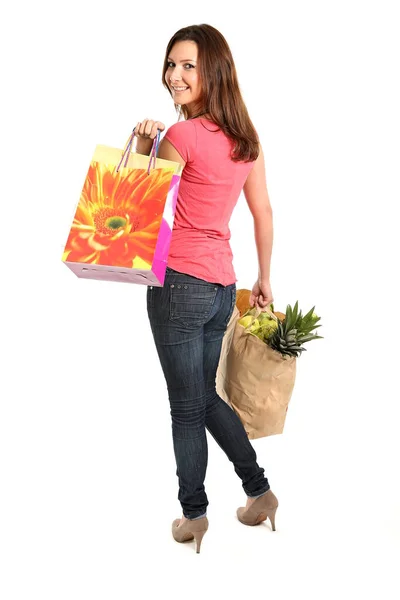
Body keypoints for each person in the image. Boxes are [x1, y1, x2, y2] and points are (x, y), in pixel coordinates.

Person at [134, 24, 278, 554]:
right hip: (222, 286)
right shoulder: (246, 140)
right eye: (171, 65)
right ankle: (259, 492)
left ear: (213, 69)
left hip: (179, 284)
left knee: (185, 405)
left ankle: (193, 514)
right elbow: (262, 212)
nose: (175, 75)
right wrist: (264, 277)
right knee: (204, 397)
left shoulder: (182, 136)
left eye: (188, 65)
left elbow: (139, 205)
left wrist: (147, 144)